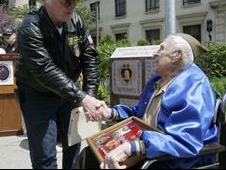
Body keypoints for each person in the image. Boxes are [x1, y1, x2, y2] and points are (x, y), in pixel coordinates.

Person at [87, 34, 218, 169]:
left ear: (176, 55)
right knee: (90, 154)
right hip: (150, 147)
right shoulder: (159, 79)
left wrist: (134, 147)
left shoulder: (193, 85)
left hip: (172, 159)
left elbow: (185, 140)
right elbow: (139, 113)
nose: (154, 53)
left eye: (161, 49)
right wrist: (110, 112)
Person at [14, 0, 104, 169]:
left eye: (74, 0)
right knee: (45, 155)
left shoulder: (77, 22)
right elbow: (44, 69)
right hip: (39, 95)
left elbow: (90, 60)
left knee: (73, 146)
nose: (71, 6)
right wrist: (82, 98)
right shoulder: (31, 27)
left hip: (70, 94)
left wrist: (88, 95)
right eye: (65, 0)